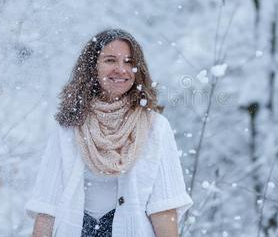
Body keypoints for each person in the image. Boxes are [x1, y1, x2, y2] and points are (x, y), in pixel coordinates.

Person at [25, 29, 193, 236]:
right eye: (110, 60)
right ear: (92, 67)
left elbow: (164, 207)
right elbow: (47, 207)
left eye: (129, 62)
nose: (121, 69)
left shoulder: (155, 127)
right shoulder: (69, 127)